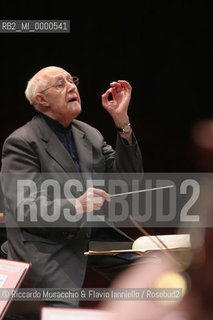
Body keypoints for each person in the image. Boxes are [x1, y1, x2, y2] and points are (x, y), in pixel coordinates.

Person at [1, 66, 143, 307]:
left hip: (88, 233)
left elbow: (128, 181)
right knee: (62, 309)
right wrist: (77, 205)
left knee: (153, 278)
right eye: (60, 84)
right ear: (41, 100)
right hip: (46, 243)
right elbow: (24, 209)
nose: (71, 86)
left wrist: (122, 122)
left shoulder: (90, 134)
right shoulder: (22, 142)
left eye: (72, 80)